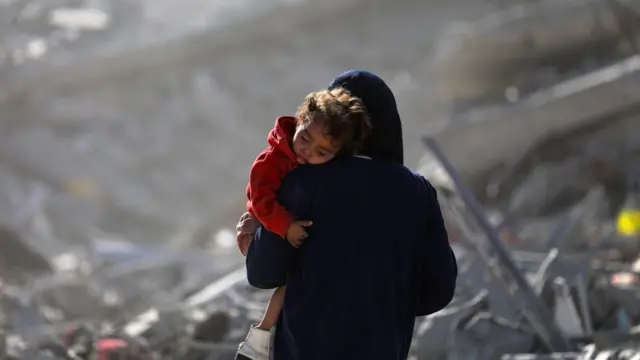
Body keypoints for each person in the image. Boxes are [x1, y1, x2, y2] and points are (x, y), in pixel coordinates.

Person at [236, 70, 457, 360]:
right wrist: (382, 300)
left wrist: (252, 236)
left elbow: (263, 273)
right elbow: (439, 289)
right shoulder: (418, 192)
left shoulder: (304, 183)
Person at [236, 88, 372, 360]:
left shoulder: (322, 171)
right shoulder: (271, 160)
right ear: (298, 122)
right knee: (291, 284)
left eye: (321, 152)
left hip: (287, 239)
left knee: (291, 288)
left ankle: (258, 342)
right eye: (305, 139)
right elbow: (261, 201)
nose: (307, 152)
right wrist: (286, 226)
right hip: (262, 232)